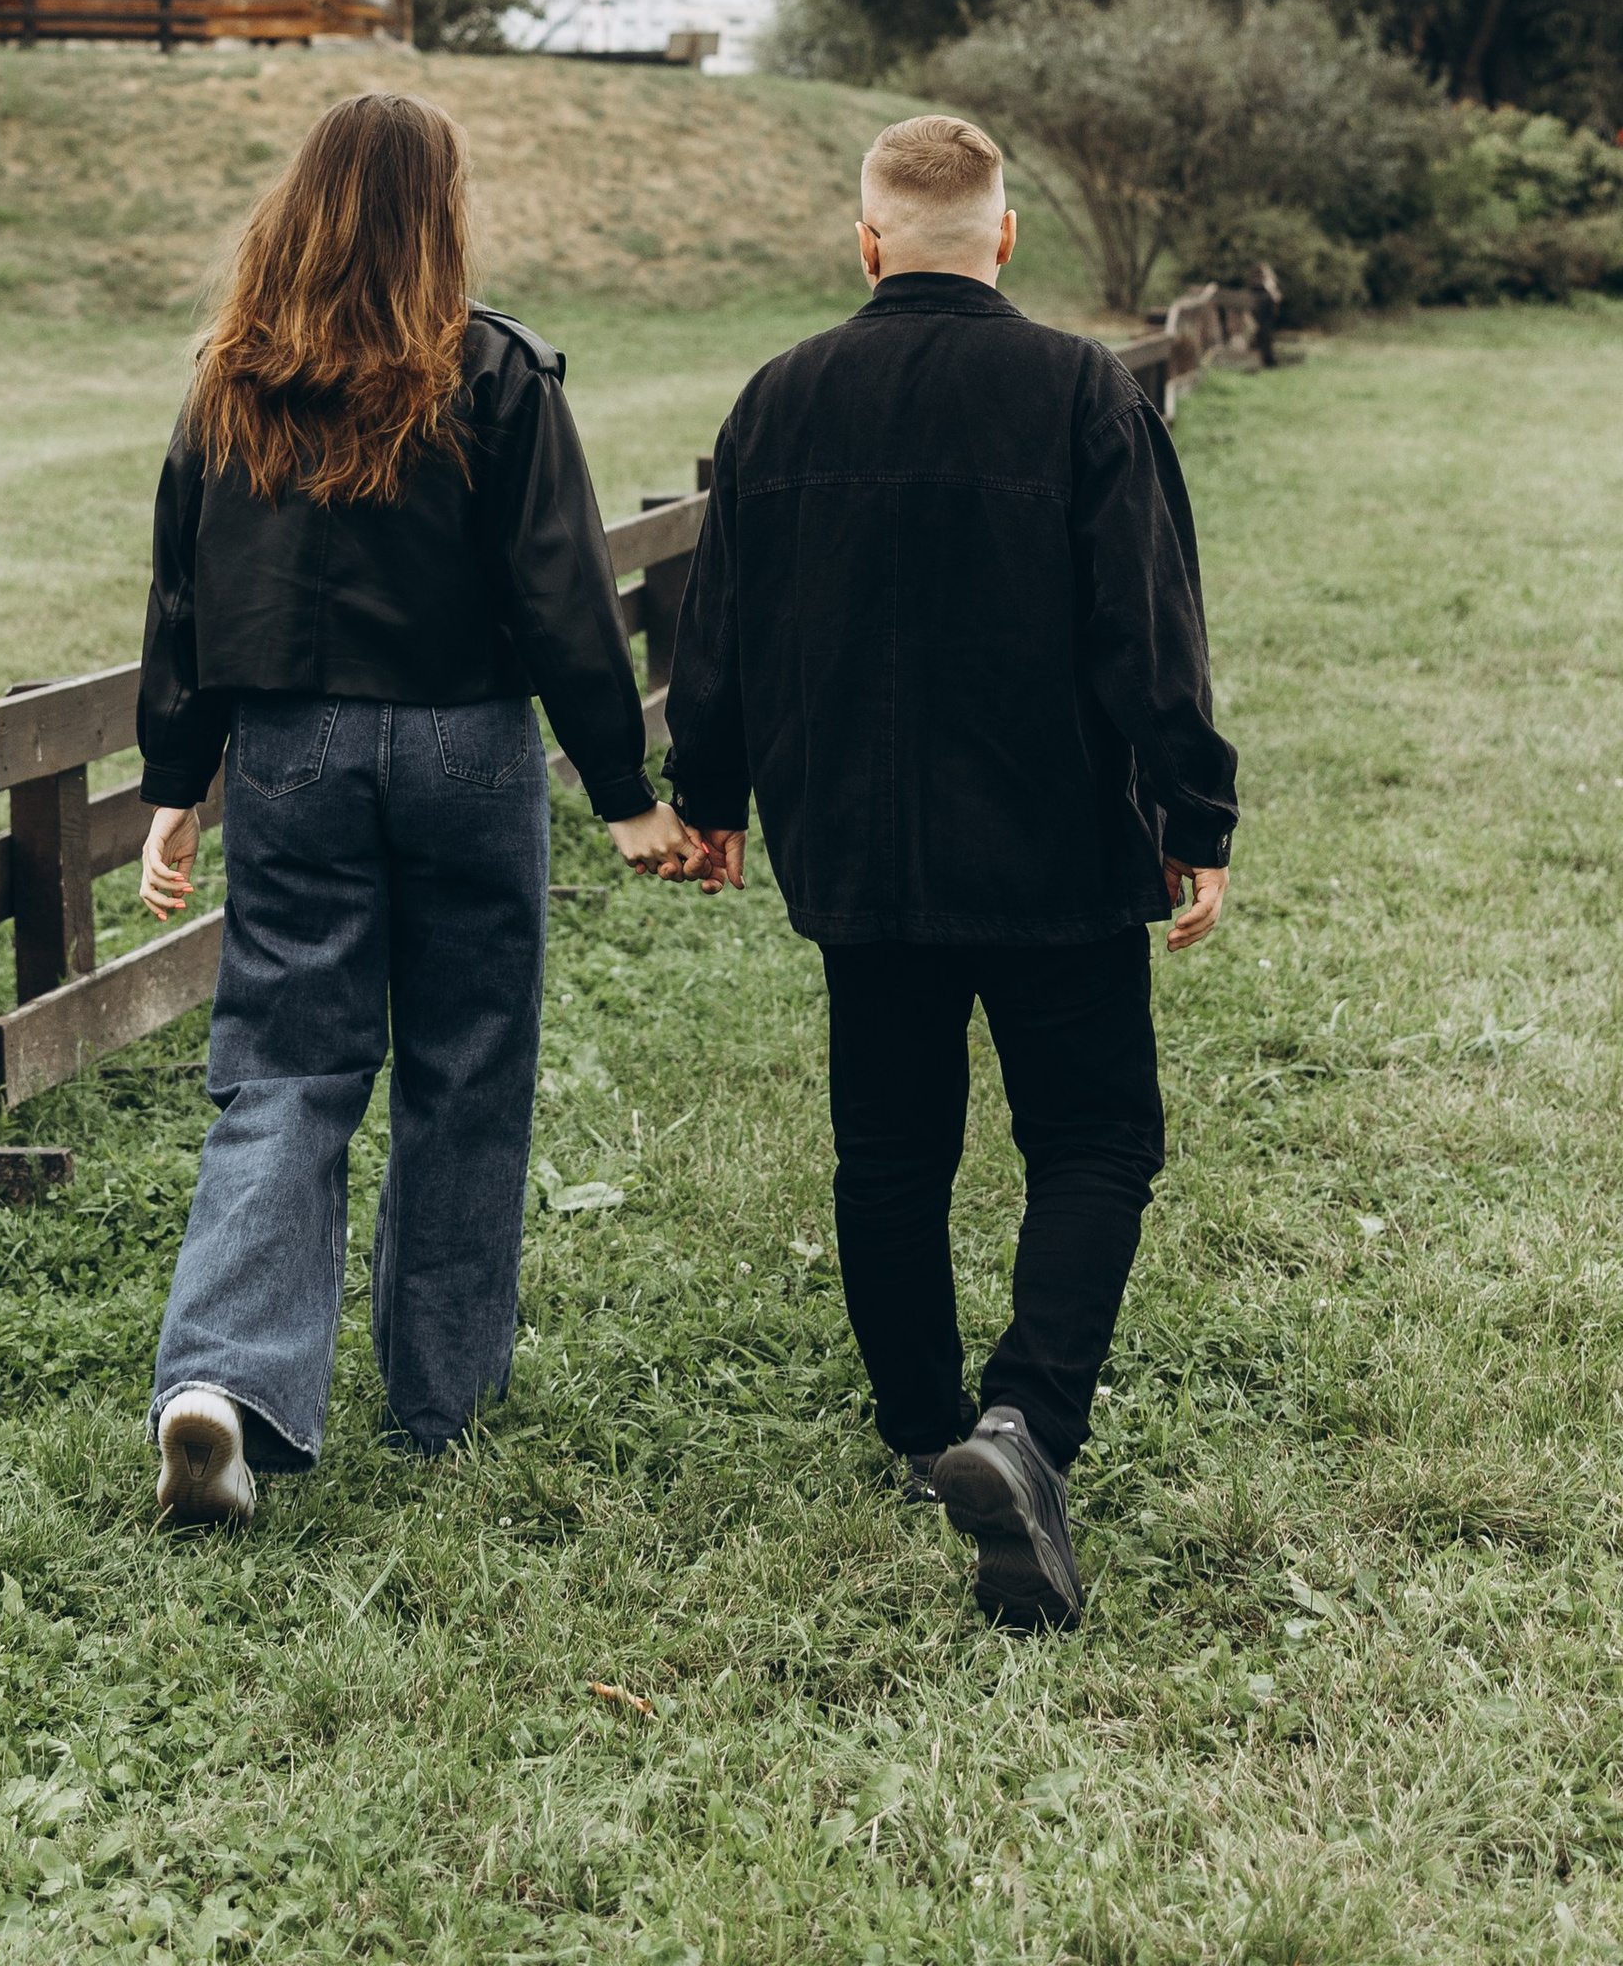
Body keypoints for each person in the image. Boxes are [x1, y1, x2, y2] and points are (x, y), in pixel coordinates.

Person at [663, 113, 1236, 1630]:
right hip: (1057, 848)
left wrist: (707, 797)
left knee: (892, 1152)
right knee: (1098, 1141)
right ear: (1002, 240)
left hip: (859, 848)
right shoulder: (1078, 393)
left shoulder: (778, 402)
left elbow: (714, 636)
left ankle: (927, 1427)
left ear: (866, 244)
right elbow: (1149, 631)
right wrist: (1194, 813)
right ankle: (1025, 1427)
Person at [133, 87, 700, 1525]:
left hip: (287, 756)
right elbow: (564, 591)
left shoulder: (228, 382)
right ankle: (438, 1406)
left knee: (284, 1066)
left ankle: (222, 1382)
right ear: (439, 210)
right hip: (463, 747)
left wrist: (175, 789)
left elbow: (186, 600)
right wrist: (626, 791)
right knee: (468, 1064)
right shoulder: (496, 371)